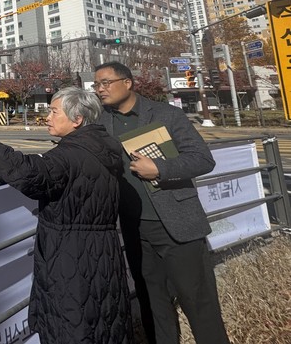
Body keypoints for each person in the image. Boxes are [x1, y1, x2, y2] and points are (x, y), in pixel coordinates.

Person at [0, 87, 134, 344]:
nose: (47, 118)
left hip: (71, 256)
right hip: (104, 251)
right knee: (104, 321)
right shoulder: (104, 147)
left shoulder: (69, 155)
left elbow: (29, 173)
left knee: (72, 325)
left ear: (77, 119)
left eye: (53, 112)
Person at [93, 61, 230, 344]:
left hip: (177, 224)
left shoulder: (167, 114)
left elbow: (203, 159)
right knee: (152, 302)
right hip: (134, 228)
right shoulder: (101, 124)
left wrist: (160, 169)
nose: (100, 89)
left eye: (106, 83)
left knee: (199, 302)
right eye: (97, 85)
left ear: (127, 83)